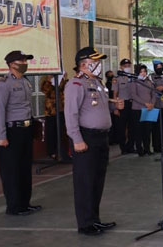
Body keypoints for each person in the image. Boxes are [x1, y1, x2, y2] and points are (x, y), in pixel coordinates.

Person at [64, 47, 115, 236]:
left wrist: (113, 104)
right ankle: (85, 224)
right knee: (85, 182)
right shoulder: (76, 84)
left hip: (101, 137)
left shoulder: (97, 82)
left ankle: (95, 220)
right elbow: (71, 114)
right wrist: (76, 139)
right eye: (96, 62)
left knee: (97, 181)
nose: (99, 65)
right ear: (84, 64)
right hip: (86, 138)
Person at [0, 50, 42, 216]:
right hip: (11, 131)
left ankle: (24, 203)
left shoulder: (25, 82)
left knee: (24, 168)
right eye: (22, 60)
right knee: (12, 171)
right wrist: (1, 136)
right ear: (12, 64)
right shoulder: (3, 84)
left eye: (25, 60)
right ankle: (14, 207)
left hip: (25, 130)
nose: (24, 63)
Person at [40, 72, 69, 159]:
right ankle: (52, 152)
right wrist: (49, 78)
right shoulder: (45, 83)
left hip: (60, 111)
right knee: (52, 133)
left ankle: (62, 152)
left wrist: (64, 78)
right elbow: (46, 90)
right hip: (51, 112)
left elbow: (63, 88)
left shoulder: (59, 82)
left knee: (61, 132)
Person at [130, 64, 156, 156]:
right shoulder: (134, 82)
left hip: (149, 109)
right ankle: (139, 150)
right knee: (138, 130)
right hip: (138, 109)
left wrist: (152, 104)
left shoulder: (149, 82)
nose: (143, 73)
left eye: (144, 71)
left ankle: (147, 149)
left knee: (148, 130)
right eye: (141, 71)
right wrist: (145, 104)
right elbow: (133, 95)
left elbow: (154, 94)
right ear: (137, 72)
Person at [113, 58, 135, 154]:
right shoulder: (117, 79)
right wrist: (116, 107)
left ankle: (130, 146)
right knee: (122, 127)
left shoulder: (133, 77)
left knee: (132, 127)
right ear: (121, 67)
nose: (127, 68)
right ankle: (123, 148)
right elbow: (115, 94)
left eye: (129, 66)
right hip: (122, 104)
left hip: (133, 103)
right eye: (125, 66)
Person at [149, 60, 163, 152]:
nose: (159, 68)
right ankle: (156, 146)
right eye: (157, 67)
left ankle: (162, 145)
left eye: (160, 67)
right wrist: (156, 88)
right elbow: (148, 88)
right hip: (154, 105)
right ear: (154, 67)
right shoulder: (150, 77)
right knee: (155, 127)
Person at [104, 71, 118, 145]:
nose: (112, 76)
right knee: (111, 122)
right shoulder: (106, 85)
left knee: (116, 122)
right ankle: (111, 139)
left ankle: (116, 138)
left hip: (115, 104)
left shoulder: (115, 83)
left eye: (112, 74)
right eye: (110, 75)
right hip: (109, 105)